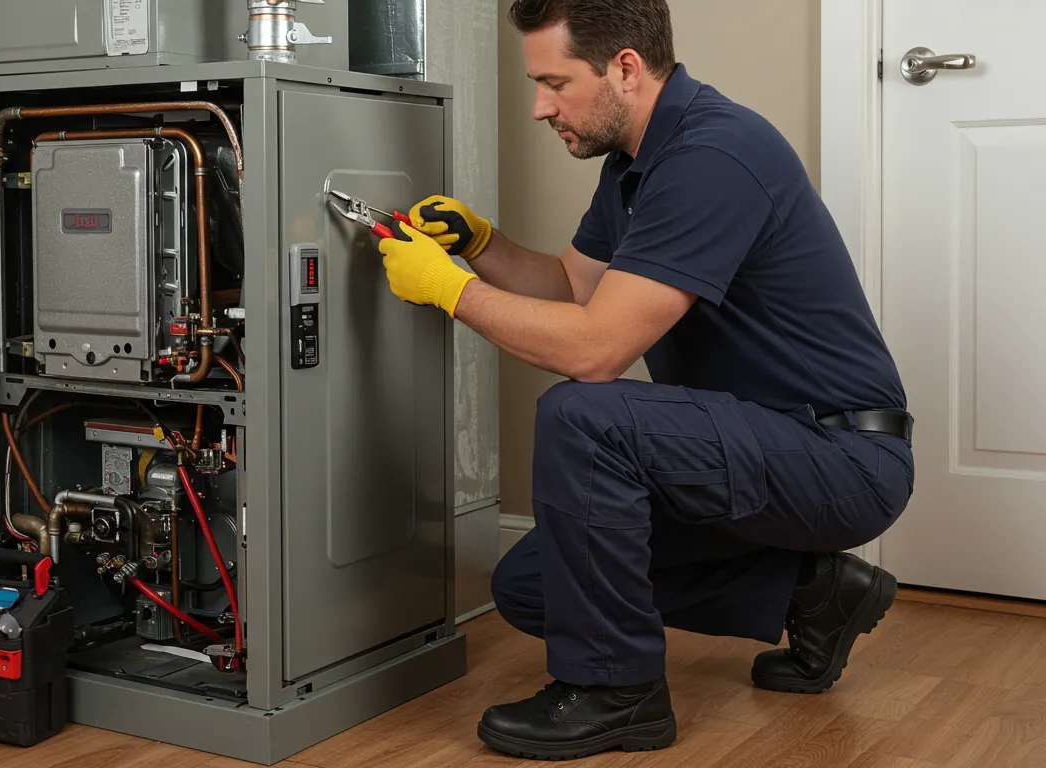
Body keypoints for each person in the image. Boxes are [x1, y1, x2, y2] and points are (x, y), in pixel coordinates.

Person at [375, 0, 915, 761]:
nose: (540, 107)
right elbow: (572, 287)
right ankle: (814, 593)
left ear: (625, 67)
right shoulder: (636, 162)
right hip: (752, 443)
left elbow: (596, 349)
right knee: (532, 584)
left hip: (838, 454)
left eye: (555, 83)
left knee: (582, 412)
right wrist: (481, 245)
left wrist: (449, 291)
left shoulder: (714, 156)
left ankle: (616, 695)